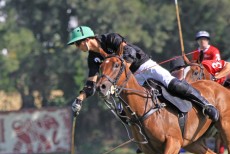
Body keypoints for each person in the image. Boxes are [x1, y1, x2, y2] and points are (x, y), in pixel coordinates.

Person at [68, 26, 219, 122]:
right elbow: (91, 83)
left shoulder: (110, 38)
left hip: (144, 65)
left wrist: (117, 79)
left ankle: (206, 105)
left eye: (77, 43)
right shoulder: (93, 59)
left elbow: (130, 52)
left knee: (171, 83)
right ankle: (146, 137)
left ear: (87, 40)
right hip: (132, 78)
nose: (76, 46)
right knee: (123, 111)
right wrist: (80, 99)